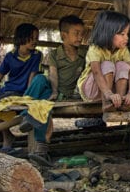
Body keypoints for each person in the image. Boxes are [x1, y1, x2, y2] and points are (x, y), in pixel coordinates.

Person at [25, 15, 87, 166]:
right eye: (76, 33)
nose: (80, 36)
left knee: (43, 104)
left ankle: (40, 148)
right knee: (40, 80)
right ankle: (27, 117)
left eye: (81, 33)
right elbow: (52, 74)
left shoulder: (84, 53)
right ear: (64, 35)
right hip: (52, 88)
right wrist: (53, 92)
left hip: (66, 94)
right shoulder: (54, 54)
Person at [0, 23, 43, 151]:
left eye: (36, 38)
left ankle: (7, 138)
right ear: (22, 38)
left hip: (21, 92)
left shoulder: (36, 55)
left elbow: (32, 77)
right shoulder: (10, 56)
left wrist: (27, 97)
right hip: (8, 90)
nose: (35, 41)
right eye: (32, 38)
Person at [77, 11, 130, 110]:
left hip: (110, 92)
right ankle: (107, 102)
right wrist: (108, 94)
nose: (126, 38)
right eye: (122, 34)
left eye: (127, 34)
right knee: (107, 65)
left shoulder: (123, 50)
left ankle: (119, 101)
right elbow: (96, 72)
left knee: (123, 65)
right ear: (109, 33)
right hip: (91, 91)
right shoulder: (95, 49)